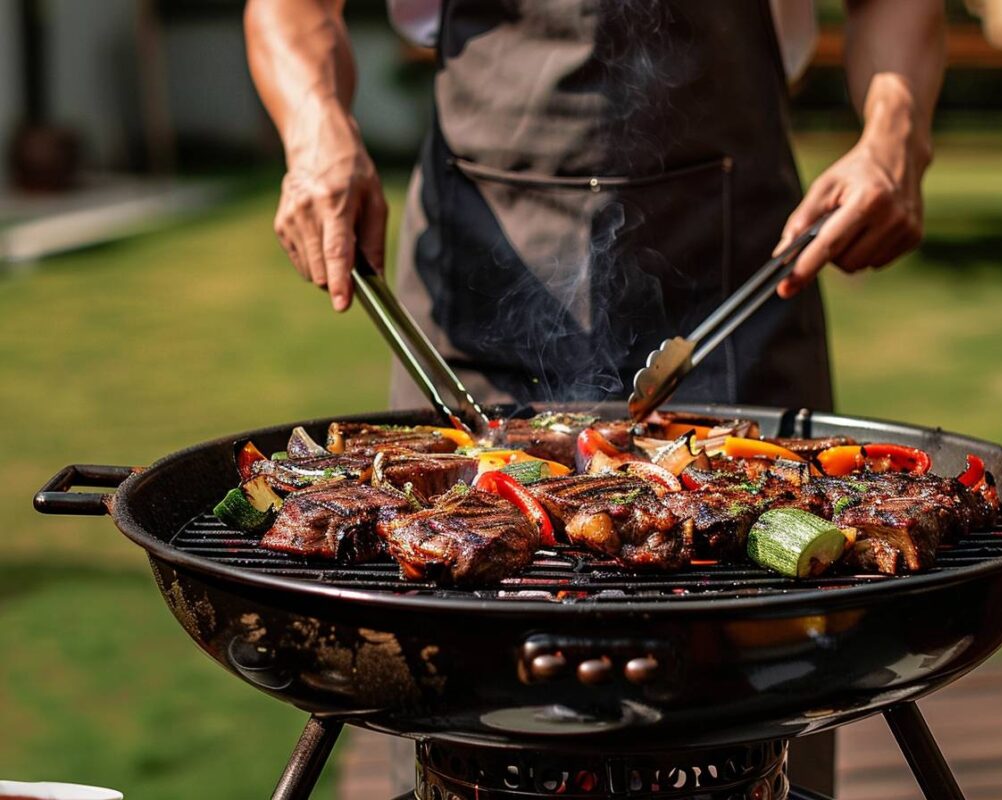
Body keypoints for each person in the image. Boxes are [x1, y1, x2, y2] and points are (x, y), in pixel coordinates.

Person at [245, 0, 945, 792]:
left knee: (763, 693)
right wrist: (314, 129)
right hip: (482, 274)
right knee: (461, 674)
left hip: (733, 276)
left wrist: (896, 134)